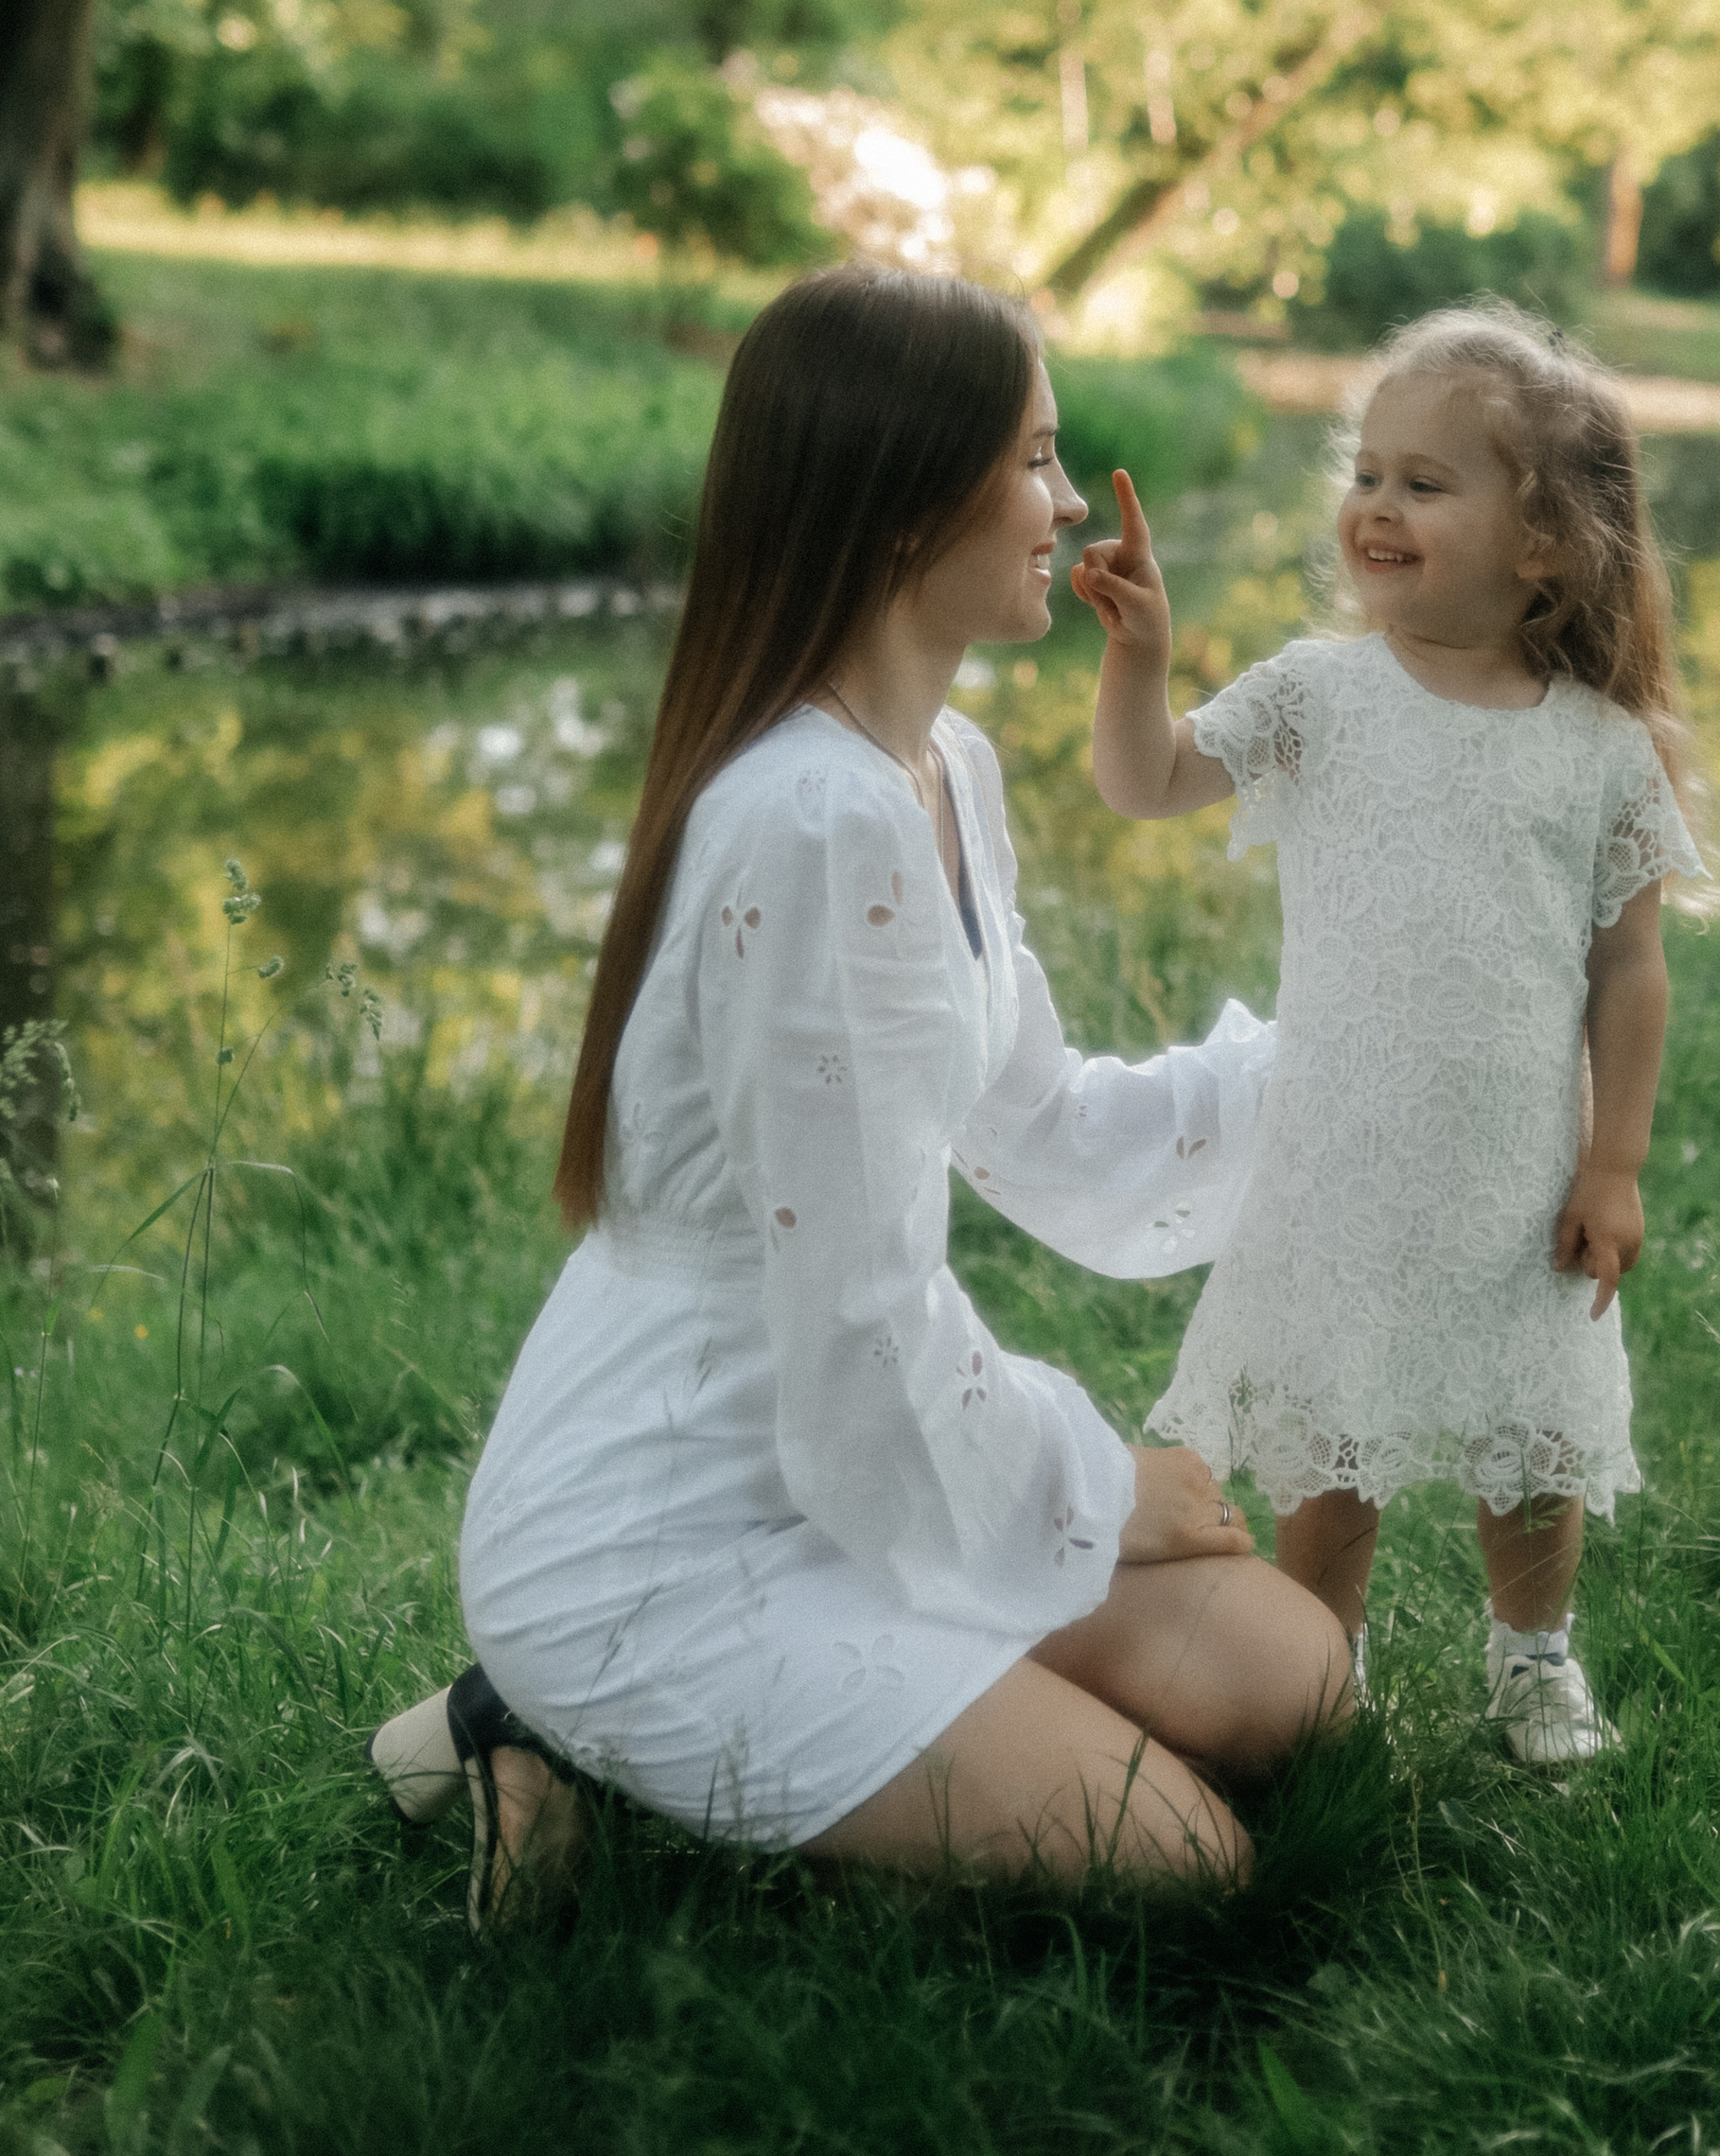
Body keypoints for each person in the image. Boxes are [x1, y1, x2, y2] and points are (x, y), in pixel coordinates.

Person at [370, 267, 1351, 1922]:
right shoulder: (812, 823)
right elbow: (860, 1320)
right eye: (1033, 461)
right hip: (668, 1535)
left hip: (860, 1465)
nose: (1065, 504)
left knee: (1295, 1679)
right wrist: (1101, 1490)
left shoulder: (941, 768)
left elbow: (1048, 1123)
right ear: (902, 496)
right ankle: (532, 1717)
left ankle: (607, 1741)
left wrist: (1333, 1064)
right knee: (1184, 1868)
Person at [1072, 300, 1703, 1765]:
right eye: (1367, 473)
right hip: (1341, 1161)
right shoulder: (1319, 697)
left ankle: (1534, 1659)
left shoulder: (1600, 750)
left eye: (1426, 483)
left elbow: (1632, 969)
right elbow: (1147, 783)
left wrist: (1614, 1164)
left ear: (1543, 540)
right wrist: (1139, 658)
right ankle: (1319, 1670)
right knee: (1327, 1449)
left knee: (1530, 1443)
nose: (1377, 506)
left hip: (1514, 1171)